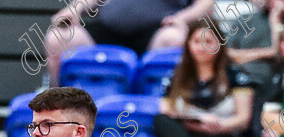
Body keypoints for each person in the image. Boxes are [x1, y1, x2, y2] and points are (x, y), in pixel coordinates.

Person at [44, 0, 215, 87]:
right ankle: (58, 102)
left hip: (159, 31)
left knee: (174, 38)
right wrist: (74, 8)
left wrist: (182, 19)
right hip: (107, 31)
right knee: (58, 37)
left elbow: (206, 4)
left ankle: (158, 112)